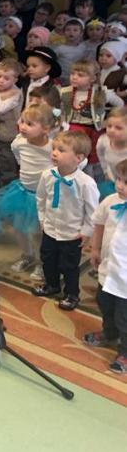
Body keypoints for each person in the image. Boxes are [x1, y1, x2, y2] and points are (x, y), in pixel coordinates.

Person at [33, 131, 99, 311]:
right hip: (50, 229)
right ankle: (52, 285)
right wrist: (42, 219)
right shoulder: (47, 175)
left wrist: (86, 232)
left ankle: (72, 294)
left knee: (69, 266)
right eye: (54, 148)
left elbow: (93, 211)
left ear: (78, 158)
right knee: (48, 260)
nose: (54, 153)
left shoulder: (86, 183)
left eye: (61, 150)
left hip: (72, 234)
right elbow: (41, 198)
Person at [0, 104, 56, 274]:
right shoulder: (19, 142)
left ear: (46, 129)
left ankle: (43, 263)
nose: (22, 126)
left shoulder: (52, 147)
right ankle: (27, 254)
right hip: (22, 192)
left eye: (29, 124)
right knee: (19, 228)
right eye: (22, 121)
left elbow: (71, 163)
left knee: (39, 233)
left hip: (43, 196)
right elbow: (19, 158)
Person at [85, 158, 127, 374]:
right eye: (119, 179)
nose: (120, 185)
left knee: (124, 317)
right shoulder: (110, 201)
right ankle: (109, 332)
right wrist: (95, 249)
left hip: (125, 279)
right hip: (108, 269)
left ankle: (125, 352)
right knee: (104, 304)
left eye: (126, 183)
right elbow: (99, 224)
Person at [96, 107, 127, 199]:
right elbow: (101, 155)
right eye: (109, 126)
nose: (112, 130)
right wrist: (105, 171)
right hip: (112, 180)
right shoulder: (103, 141)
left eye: (118, 128)